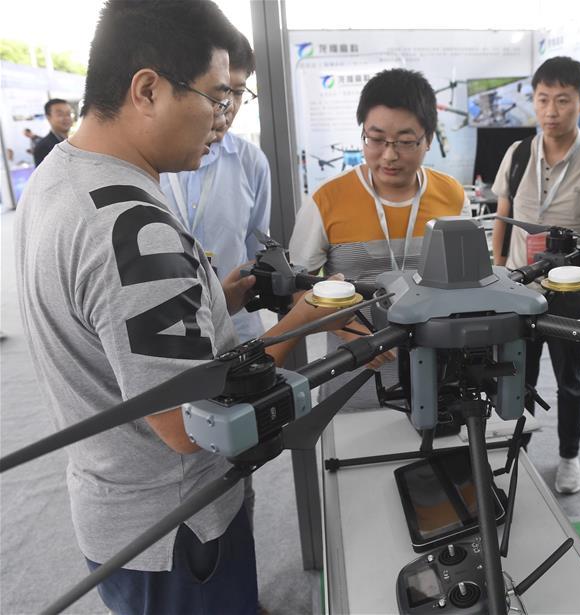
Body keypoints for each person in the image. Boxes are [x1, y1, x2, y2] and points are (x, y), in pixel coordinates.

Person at [15, 2, 346, 613]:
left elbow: (113, 333)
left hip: (116, 508)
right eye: (216, 98)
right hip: (177, 529)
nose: (222, 121)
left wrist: (216, 298)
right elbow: (191, 422)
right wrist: (307, 317)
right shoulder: (133, 226)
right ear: (148, 89)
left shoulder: (61, 177)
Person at [289, 68, 470, 411]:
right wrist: (346, 331)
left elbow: (468, 280)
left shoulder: (453, 197)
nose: (389, 155)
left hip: (439, 368)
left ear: (428, 139)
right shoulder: (327, 200)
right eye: (376, 139)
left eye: (404, 141)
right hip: (354, 370)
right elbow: (299, 287)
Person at [491, 56, 580, 494]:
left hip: (571, 296)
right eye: (543, 99)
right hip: (518, 290)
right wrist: (498, 273)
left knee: (570, 380)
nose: (551, 111)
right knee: (516, 377)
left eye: (563, 100)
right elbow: (503, 216)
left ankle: (569, 458)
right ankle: (519, 454)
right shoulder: (517, 155)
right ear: (533, 101)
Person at [161, 32, 270, 343]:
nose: (228, 105)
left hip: (237, 324)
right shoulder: (155, 162)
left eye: (237, 92)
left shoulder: (252, 162)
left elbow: (257, 247)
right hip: (170, 329)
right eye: (220, 92)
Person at [33, 98, 74, 166]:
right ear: (48, 117)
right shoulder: (43, 147)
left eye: (68, 114)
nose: (66, 118)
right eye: (60, 114)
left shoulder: (73, 143)